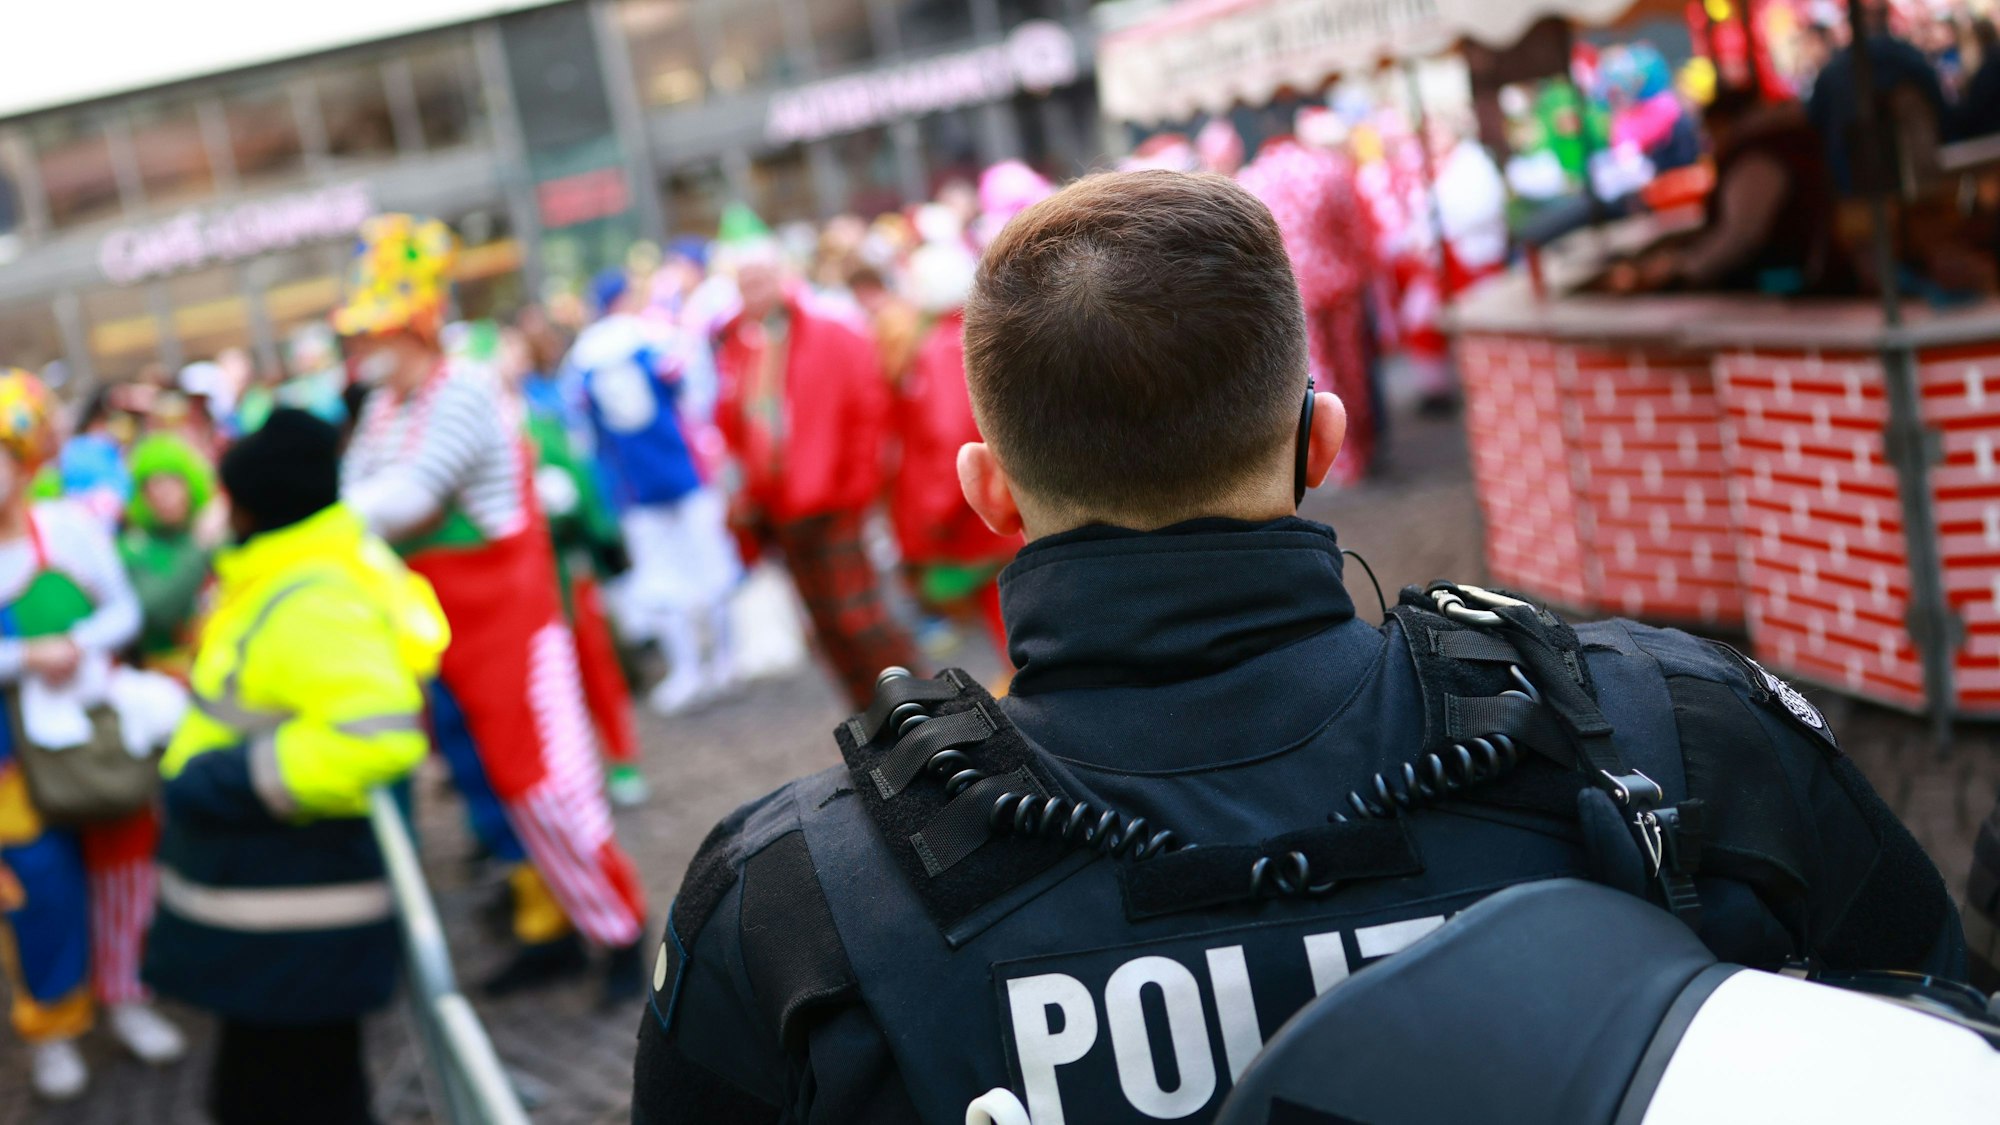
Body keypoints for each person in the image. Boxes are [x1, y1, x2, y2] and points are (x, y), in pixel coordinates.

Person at [632, 172, 1966, 1124]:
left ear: (987, 496)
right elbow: (1940, 1051)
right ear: (1321, 441)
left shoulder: (791, 909)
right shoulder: (1683, 727)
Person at [336, 214, 648, 999]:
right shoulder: (385, 405)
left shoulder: (463, 389)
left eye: (374, 330)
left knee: (547, 783)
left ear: (412, 327)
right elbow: (362, 492)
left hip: (510, 625)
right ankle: (548, 925)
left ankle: (620, 930)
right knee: (491, 793)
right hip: (442, 631)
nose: (362, 347)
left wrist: (319, 518)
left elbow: (402, 499)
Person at [144, 410, 447, 1125]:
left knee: (296, 1091)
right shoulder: (307, 571)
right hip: (283, 919)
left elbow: (376, 734)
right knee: (284, 1084)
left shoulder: (310, 596)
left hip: (294, 919)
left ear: (256, 506)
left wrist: (225, 779)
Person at [0, 369, 186, 1101]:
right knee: (39, 885)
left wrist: (76, 642)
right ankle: (54, 1022)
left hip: (89, 729)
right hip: (9, 758)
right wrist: (22, 657)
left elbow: (124, 612)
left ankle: (127, 993)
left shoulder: (71, 526)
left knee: (123, 862)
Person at [713, 231, 918, 709]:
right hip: (780, 508)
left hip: (833, 499)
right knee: (826, 628)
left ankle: (919, 710)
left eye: (761, 279)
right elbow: (735, 429)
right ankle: (872, 721)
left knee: (862, 621)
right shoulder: (740, 348)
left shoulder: (828, 333)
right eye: (745, 283)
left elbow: (868, 409)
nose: (754, 291)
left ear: (782, 278)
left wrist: (859, 484)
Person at [568, 269, 739, 717]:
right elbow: (694, 396)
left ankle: (691, 668)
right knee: (708, 565)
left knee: (662, 578)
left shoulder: (582, 358)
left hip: (634, 487)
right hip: (682, 472)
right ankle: (721, 660)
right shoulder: (655, 338)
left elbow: (582, 434)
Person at [1619, 89, 1851, 295]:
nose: (1711, 144)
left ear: (1722, 123)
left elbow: (1739, 238)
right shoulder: (1776, 144)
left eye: (1710, 133)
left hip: (1783, 281)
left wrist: (1684, 270)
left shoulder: (1756, 159)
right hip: (1794, 272)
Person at [117, 433, 216, 675]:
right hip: (162, 674)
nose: (164, 494)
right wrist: (199, 547)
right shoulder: (132, 548)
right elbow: (154, 611)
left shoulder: (216, 536)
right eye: (154, 485)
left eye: (173, 482)